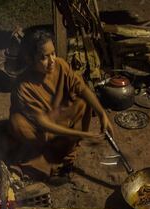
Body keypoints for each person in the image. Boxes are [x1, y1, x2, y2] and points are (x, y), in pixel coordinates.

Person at [8, 30, 113, 180]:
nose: (52, 61)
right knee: (17, 123)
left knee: (83, 102)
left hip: (56, 117)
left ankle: (67, 153)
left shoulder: (60, 65)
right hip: (38, 130)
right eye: (44, 57)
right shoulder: (23, 86)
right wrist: (81, 134)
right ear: (30, 59)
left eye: (53, 53)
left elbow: (82, 88)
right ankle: (44, 162)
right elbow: (42, 123)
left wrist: (102, 114)